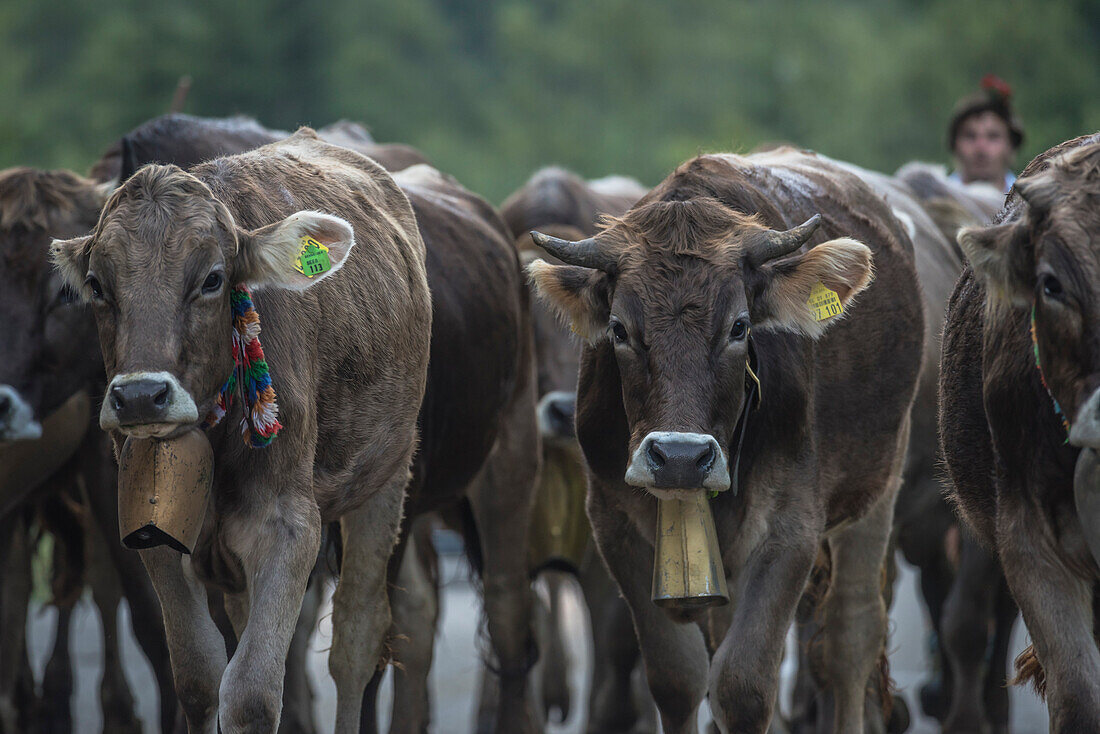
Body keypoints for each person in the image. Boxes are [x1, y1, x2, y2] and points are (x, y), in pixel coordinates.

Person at [947, 74, 1025, 192]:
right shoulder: (930, 203)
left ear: (1011, 145)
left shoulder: (1031, 205)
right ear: (954, 144)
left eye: (993, 136)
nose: (981, 147)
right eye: (970, 136)